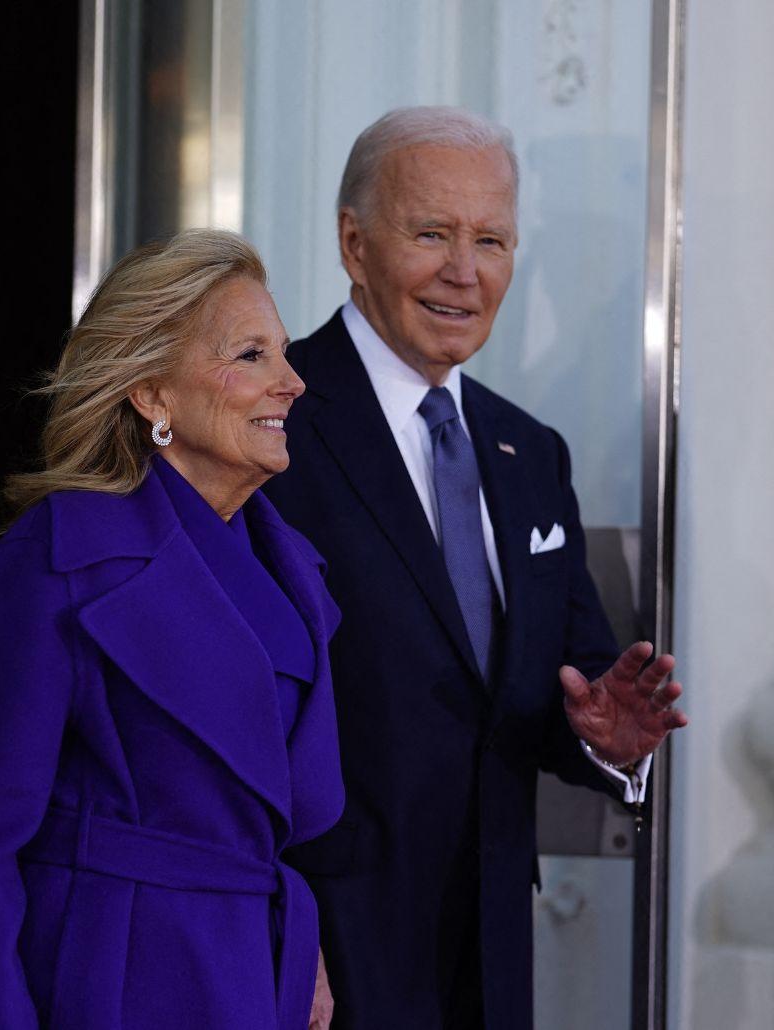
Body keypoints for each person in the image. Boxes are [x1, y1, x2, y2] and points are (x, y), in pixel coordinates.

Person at [262, 106, 688, 1029]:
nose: (466, 271)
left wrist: (606, 742)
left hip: (489, 957)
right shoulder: (272, 422)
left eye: (491, 240)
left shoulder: (528, 453)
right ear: (353, 243)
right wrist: (272, 933)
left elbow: (569, 687)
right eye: (432, 234)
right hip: (322, 952)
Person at [0, 229, 344, 1030]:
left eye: (284, 354)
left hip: (259, 981)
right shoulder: (60, 558)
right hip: (116, 979)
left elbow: (272, 818)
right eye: (252, 356)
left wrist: (300, 949)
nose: (292, 382)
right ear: (153, 395)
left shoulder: (292, 569)